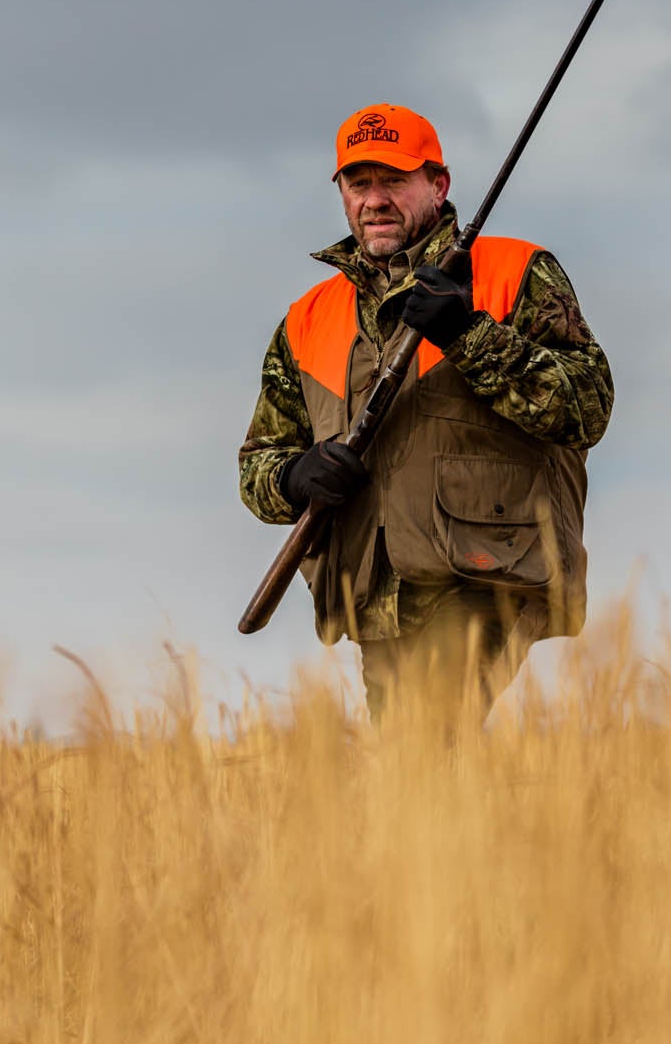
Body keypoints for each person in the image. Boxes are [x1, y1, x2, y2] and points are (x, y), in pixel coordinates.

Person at [238, 102, 612, 727]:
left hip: (487, 574)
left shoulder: (514, 272)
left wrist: (468, 333)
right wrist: (296, 476)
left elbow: (586, 407)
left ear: (438, 186)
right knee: (412, 783)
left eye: (394, 179)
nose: (375, 199)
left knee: (426, 742)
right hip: (374, 593)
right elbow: (258, 467)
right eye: (359, 183)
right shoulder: (309, 318)